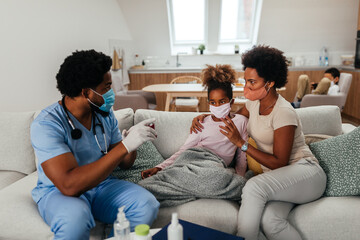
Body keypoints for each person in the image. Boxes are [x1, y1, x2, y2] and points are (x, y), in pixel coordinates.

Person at [190, 46, 327, 240]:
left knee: (253, 186)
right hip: (281, 180)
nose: (246, 87)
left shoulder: (283, 112)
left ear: (270, 83)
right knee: (271, 221)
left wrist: (241, 144)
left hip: (306, 173)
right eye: (245, 80)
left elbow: (279, 162)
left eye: (252, 82)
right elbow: (231, 119)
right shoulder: (253, 103)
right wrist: (207, 117)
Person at [30, 50, 160, 239]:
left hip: (102, 185)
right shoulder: (47, 124)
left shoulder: (104, 115)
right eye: (107, 86)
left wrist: (131, 143)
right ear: (86, 92)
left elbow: (125, 163)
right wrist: (124, 147)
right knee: (75, 220)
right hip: (59, 192)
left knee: (146, 205)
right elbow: (68, 185)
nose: (112, 92)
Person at [141, 64, 248, 179]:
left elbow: (241, 156)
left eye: (222, 102)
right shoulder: (201, 123)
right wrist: (159, 167)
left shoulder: (241, 122)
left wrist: (240, 178)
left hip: (217, 167)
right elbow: (184, 150)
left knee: (218, 177)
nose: (217, 106)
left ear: (231, 102)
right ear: (208, 103)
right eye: (213, 102)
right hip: (195, 159)